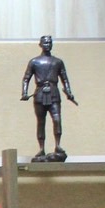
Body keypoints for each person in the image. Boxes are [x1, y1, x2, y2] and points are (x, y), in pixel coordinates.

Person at [20, 34, 77, 162]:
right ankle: (41, 148)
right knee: (41, 122)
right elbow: (26, 78)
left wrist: (69, 92)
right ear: (40, 44)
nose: (47, 45)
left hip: (54, 92)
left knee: (57, 119)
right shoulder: (34, 62)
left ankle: (58, 145)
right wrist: (24, 92)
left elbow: (65, 79)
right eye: (45, 43)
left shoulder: (58, 62)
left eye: (49, 42)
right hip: (40, 93)